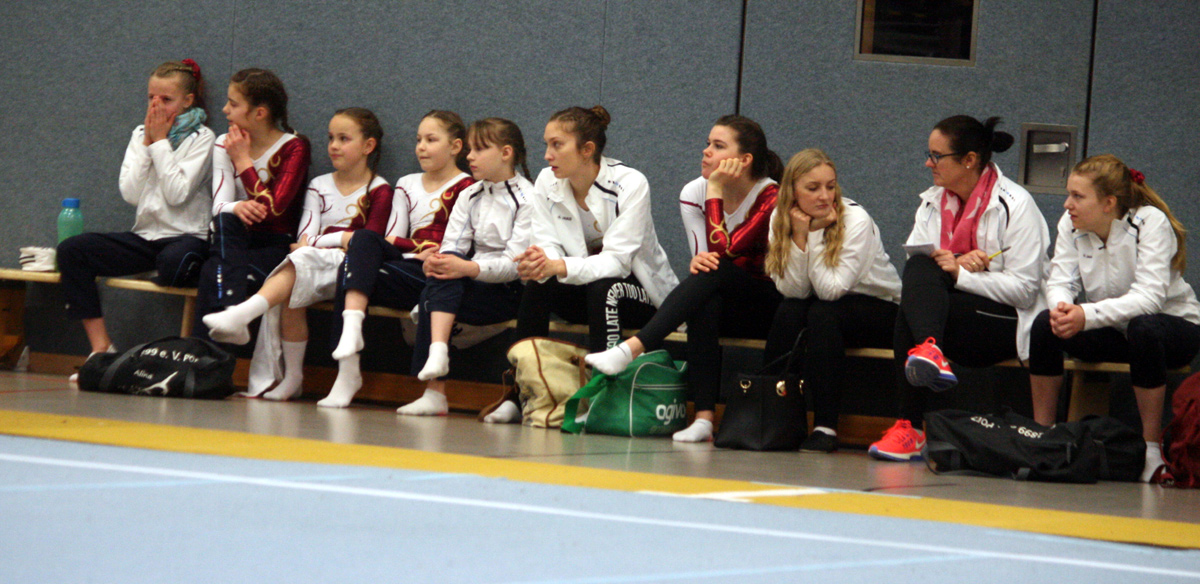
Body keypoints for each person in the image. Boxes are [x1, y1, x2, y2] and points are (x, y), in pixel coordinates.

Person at [585, 115, 781, 443]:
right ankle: (703, 418)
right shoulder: (692, 192)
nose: (706, 151)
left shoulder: (771, 197)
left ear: (744, 160)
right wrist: (709, 195)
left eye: (718, 146)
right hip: (724, 296)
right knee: (705, 300)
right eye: (707, 143)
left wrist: (715, 189)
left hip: (768, 304)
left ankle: (631, 349)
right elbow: (704, 260)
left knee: (716, 272)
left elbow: (723, 252)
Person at [869, 115, 1049, 461]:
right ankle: (927, 359)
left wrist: (961, 276)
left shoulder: (1016, 204)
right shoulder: (932, 202)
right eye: (929, 154)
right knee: (918, 271)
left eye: (937, 156)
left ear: (969, 160)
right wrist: (956, 263)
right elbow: (923, 270)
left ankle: (912, 424)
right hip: (953, 314)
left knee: (913, 310)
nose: (928, 163)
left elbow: (1026, 291)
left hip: (1007, 322)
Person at [1028, 155, 1200, 481]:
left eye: (1078, 196)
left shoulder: (1150, 222)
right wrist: (1063, 309)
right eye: (1068, 194)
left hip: (1172, 328)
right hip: (1112, 329)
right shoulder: (1071, 223)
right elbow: (1060, 279)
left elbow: (1149, 299)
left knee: (1144, 327)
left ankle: (1151, 448)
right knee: (1045, 324)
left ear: (1108, 203)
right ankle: (1043, 435)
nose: (1067, 204)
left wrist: (1086, 314)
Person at [202, 108, 391, 400]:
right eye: (330, 138)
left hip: (355, 269)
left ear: (368, 146)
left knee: (300, 262)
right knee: (296, 275)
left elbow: (372, 242)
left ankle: (244, 313)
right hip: (315, 263)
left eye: (344, 139)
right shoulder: (319, 185)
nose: (333, 146)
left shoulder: (380, 189)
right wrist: (336, 241)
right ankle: (292, 376)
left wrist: (330, 242)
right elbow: (303, 238)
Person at [57, 60, 214, 376]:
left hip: (186, 237)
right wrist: (147, 143)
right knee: (72, 250)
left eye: (166, 99)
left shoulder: (203, 137)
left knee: (173, 264)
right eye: (151, 98)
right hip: (145, 238)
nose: (156, 106)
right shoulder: (140, 134)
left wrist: (161, 144)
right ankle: (101, 349)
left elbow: (177, 194)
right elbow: (131, 193)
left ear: (188, 100)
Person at [320, 110, 474, 408]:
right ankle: (348, 361)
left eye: (431, 140)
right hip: (407, 262)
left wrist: (419, 250)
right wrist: (417, 248)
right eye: (418, 140)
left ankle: (428, 390)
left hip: (436, 270)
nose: (421, 147)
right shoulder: (406, 183)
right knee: (362, 242)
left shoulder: (467, 187)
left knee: (354, 265)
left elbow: (456, 244)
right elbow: (391, 237)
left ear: (455, 146)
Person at [761, 149, 902, 452]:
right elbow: (793, 291)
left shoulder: (856, 220)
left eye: (830, 186)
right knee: (790, 310)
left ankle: (826, 426)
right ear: (792, 192)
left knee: (823, 313)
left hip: (881, 309)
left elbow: (831, 291)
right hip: (826, 306)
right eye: (813, 188)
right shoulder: (780, 218)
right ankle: (774, 415)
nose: (825, 196)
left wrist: (812, 234)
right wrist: (799, 237)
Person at [509, 105, 676, 358]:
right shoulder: (546, 180)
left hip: (638, 297)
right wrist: (542, 262)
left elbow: (617, 262)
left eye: (557, 145)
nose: (547, 155)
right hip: (585, 292)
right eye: (546, 145)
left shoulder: (630, 183)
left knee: (605, 288)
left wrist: (558, 266)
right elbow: (546, 240)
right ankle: (523, 375)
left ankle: (603, 380)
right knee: (538, 282)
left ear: (587, 149)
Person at [401, 118, 534, 417]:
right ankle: (437, 358)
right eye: (470, 149)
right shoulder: (470, 194)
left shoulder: (528, 198)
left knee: (436, 289)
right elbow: (453, 245)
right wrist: (439, 260)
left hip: (509, 291)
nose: (470, 156)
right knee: (441, 272)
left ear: (506, 153)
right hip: (469, 280)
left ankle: (436, 386)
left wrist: (467, 268)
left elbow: (514, 266)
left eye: (479, 149)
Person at [194, 68, 311, 341]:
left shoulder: (295, 147)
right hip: (234, 240)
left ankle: (203, 353)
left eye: (233, 104)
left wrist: (243, 161)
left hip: (274, 246)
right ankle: (231, 315)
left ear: (259, 113)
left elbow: (274, 211)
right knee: (224, 222)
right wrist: (236, 207)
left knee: (212, 272)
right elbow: (219, 206)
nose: (224, 110)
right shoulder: (224, 143)